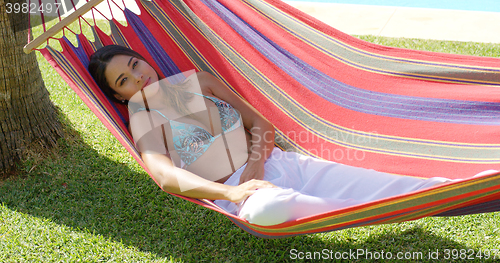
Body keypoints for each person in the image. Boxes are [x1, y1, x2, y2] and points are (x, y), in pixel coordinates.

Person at [88, 45, 453, 226]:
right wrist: (233, 191)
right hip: (238, 194)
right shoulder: (143, 120)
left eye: (134, 64)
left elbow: (262, 126)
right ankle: (355, 212)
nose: (137, 77)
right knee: (268, 209)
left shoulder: (199, 81)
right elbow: (166, 177)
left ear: (143, 58)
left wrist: (257, 164)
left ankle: (466, 188)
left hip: (278, 162)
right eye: (124, 80)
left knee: (383, 184)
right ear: (120, 96)